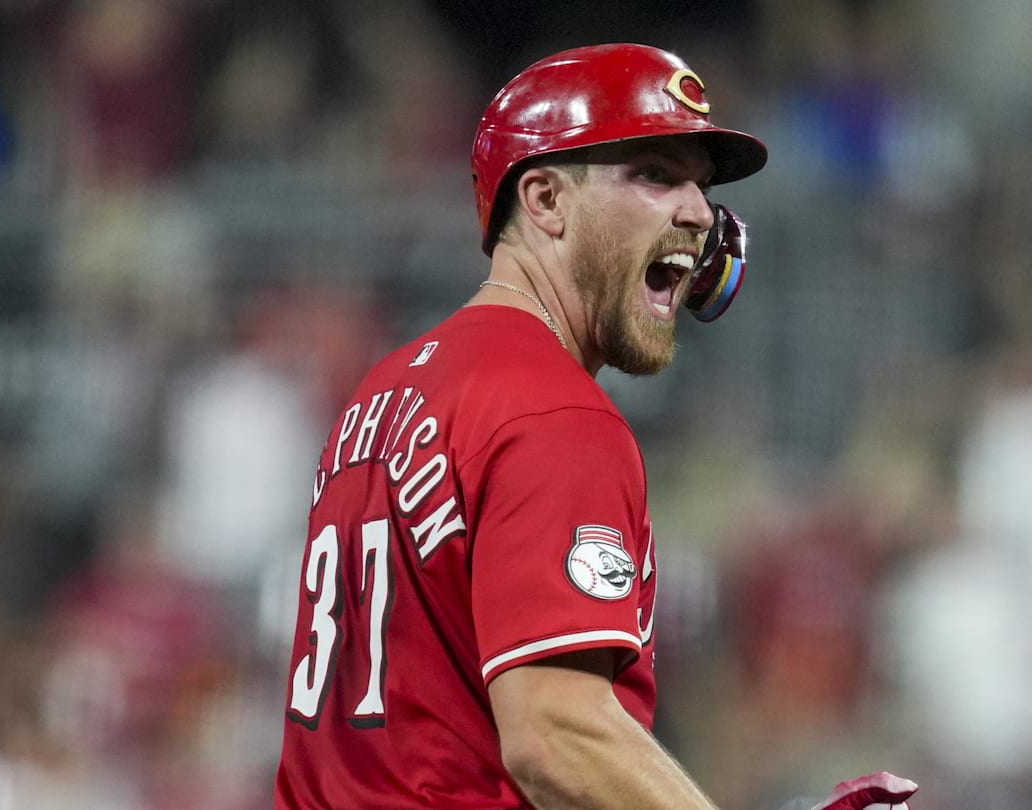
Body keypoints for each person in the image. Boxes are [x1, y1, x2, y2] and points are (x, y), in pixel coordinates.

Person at [274, 43, 917, 809]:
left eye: (700, 187)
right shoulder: (553, 412)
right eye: (654, 173)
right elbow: (556, 734)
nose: (699, 212)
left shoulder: (376, 398)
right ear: (544, 201)